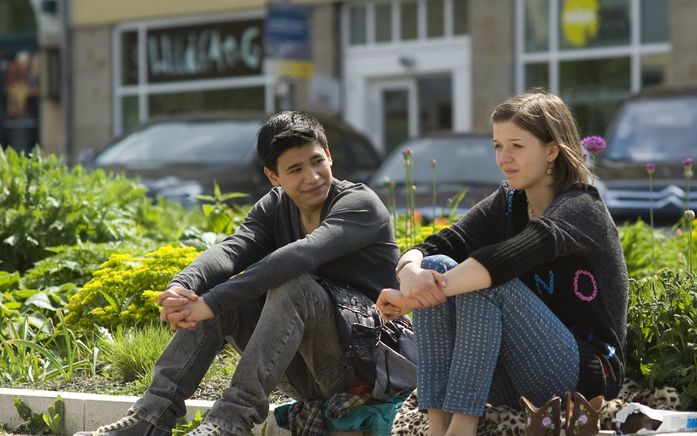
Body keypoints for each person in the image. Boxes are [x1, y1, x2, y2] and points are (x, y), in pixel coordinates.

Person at [78, 111, 400, 436]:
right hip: (307, 373)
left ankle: (229, 424)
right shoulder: (275, 206)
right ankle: (151, 417)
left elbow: (302, 254)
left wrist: (212, 302)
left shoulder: (359, 204)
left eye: (317, 161)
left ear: (329, 156)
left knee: (291, 286)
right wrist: (182, 287)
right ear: (273, 176)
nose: (312, 177)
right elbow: (232, 250)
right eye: (295, 169)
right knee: (228, 302)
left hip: (369, 366)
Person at [377, 91, 628, 436]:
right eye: (498, 146)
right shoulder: (510, 201)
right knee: (435, 262)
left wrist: (410, 299)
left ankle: (462, 428)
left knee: (486, 280)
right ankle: (438, 426)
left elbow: (505, 260)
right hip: (510, 375)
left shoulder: (581, 208)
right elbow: (437, 245)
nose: (504, 158)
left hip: (580, 375)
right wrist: (408, 273)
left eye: (517, 147)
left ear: (551, 150)